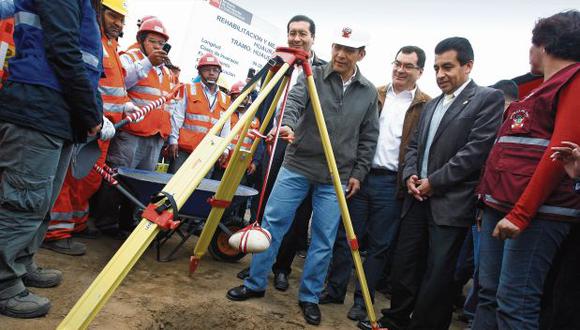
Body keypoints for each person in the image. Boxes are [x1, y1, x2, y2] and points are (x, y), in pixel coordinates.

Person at [226, 25, 379, 326]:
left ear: (361, 54)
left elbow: (368, 137)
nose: (340, 54)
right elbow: (294, 103)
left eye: (349, 50)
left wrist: (358, 173)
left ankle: (309, 297)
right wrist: (288, 126)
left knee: (322, 239)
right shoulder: (314, 75)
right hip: (297, 166)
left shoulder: (369, 92)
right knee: (272, 225)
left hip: (334, 176)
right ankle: (255, 283)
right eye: (338, 47)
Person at [369, 37, 504, 330]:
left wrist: (434, 182)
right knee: (405, 265)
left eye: (448, 67)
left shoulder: (486, 99)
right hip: (417, 197)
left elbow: (475, 152)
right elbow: (414, 146)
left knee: (438, 273)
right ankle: (395, 320)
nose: (441, 74)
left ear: (468, 66)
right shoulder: (430, 105)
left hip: (451, 204)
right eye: (436, 68)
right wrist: (411, 177)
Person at [474, 10, 580, 329]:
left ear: (544, 44)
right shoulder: (539, 89)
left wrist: (520, 213)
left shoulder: (573, 80)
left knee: (515, 304)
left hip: (538, 214)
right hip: (502, 206)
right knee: (489, 294)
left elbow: (558, 154)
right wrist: (486, 202)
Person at [0, 0, 103, 318]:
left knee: (39, 202)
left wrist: (89, 111)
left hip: (56, 112)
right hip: (38, 106)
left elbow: (84, 61)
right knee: (23, 203)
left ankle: (21, 262)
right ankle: (4, 284)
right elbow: (63, 50)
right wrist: (90, 111)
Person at [321, 45, 431, 322]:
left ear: (420, 72)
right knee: (346, 237)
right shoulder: (374, 93)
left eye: (408, 66)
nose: (400, 70)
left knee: (379, 246)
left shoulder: (425, 105)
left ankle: (362, 300)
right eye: (397, 63)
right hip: (360, 176)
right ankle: (334, 289)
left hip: (392, 185)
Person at [237, 15, 327, 292]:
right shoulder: (277, 65)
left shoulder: (324, 72)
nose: (297, 38)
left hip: (301, 151)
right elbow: (264, 106)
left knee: (298, 214)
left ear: (313, 38)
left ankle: (282, 268)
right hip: (272, 145)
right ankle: (258, 266)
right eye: (292, 33)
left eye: (303, 34)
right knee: (266, 208)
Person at [42, 0, 132, 256]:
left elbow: (111, 87)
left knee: (88, 180)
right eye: (113, 16)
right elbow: (83, 79)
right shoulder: (90, 37)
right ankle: (56, 232)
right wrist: (95, 116)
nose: (118, 23)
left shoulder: (111, 46)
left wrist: (125, 106)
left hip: (105, 126)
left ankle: (77, 223)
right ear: (99, 12)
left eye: (122, 19)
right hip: (90, 122)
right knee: (70, 178)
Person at [93, 17, 172, 237]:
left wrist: (168, 136)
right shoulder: (129, 58)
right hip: (131, 134)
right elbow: (121, 84)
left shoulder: (165, 70)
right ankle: (106, 223)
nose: (157, 47)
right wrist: (149, 63)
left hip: (155, 137)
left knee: (141, 185)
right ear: (142, 41)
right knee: (117, 179)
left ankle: (127, 222)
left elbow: (168, 103)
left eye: (161, 43)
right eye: (153, 41)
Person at [167, 53, 231, 174]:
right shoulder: (188, 89)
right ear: (199, 72)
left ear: (219, 73)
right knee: (174, 186)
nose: (211, 73)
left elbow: (226, 127)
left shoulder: (225, 99)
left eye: (215, 70)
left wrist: (226, 148)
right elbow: (178, 117)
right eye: (207, 70)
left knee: (200, 189)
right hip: (185, 150)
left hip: (208, 153)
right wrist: (173, 140)